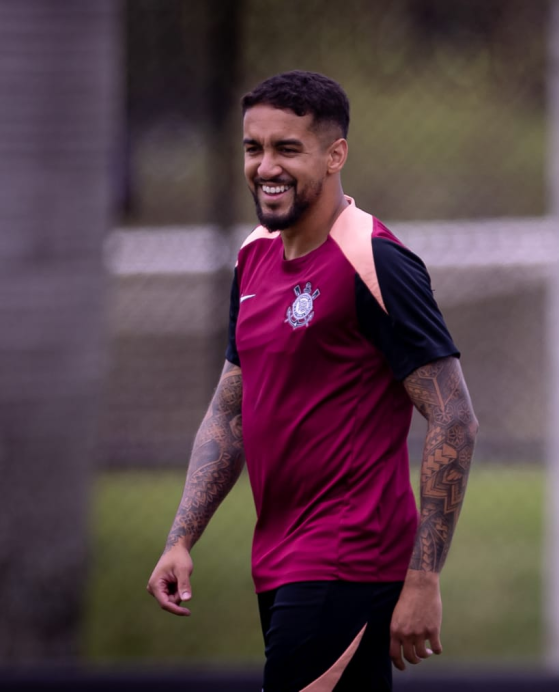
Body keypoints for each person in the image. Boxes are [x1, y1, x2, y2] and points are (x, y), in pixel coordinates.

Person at [146, 70, 478, 692]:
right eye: (254, 148)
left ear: (335, 155)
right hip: (279, 560)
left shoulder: (375, 261)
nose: (266, 167)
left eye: (287, 149)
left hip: (347, 558)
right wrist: (180, 539)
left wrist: (424, 577)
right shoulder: (252, 256)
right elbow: (229, 411)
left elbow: (454, 415)